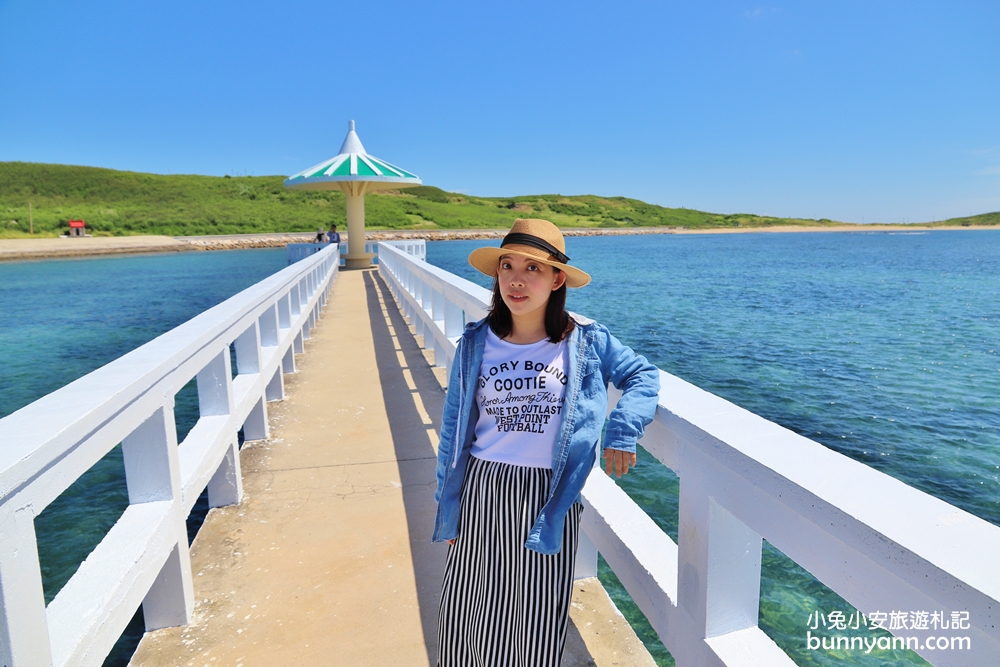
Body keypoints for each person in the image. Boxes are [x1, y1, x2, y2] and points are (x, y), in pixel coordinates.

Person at [433, 218, 660, 666]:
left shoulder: (585, 341)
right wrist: (449, 505)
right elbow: (452, 431)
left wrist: (621, 431)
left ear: (557, 279)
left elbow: (642, 375)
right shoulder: (477, 342)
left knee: (535, 619)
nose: (516, 280)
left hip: (548, 495)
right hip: (483, 487)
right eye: (507, 266)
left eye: (533, 268)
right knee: (468, 613)